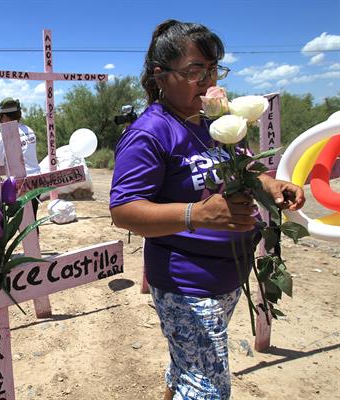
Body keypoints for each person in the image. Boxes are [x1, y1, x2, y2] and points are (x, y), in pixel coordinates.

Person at [109, 20, 305, 400]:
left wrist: (271, 184)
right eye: (194, 70)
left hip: (228, 277)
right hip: (187, 282)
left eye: (212, 69)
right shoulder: (150, 133)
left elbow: (245, 167)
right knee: (208, 389)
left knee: (188, 365)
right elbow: (124, 210)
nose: (207, 79)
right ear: (160, 76)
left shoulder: (217, 120)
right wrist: (195, 215)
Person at [0, 97, 41, 217]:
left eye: (0, 118)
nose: (0, 121)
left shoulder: (3, 136)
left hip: (19, 184)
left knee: (22, 222)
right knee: (33, 219)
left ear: (5, 116)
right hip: (37, 180)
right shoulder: (29, 130)